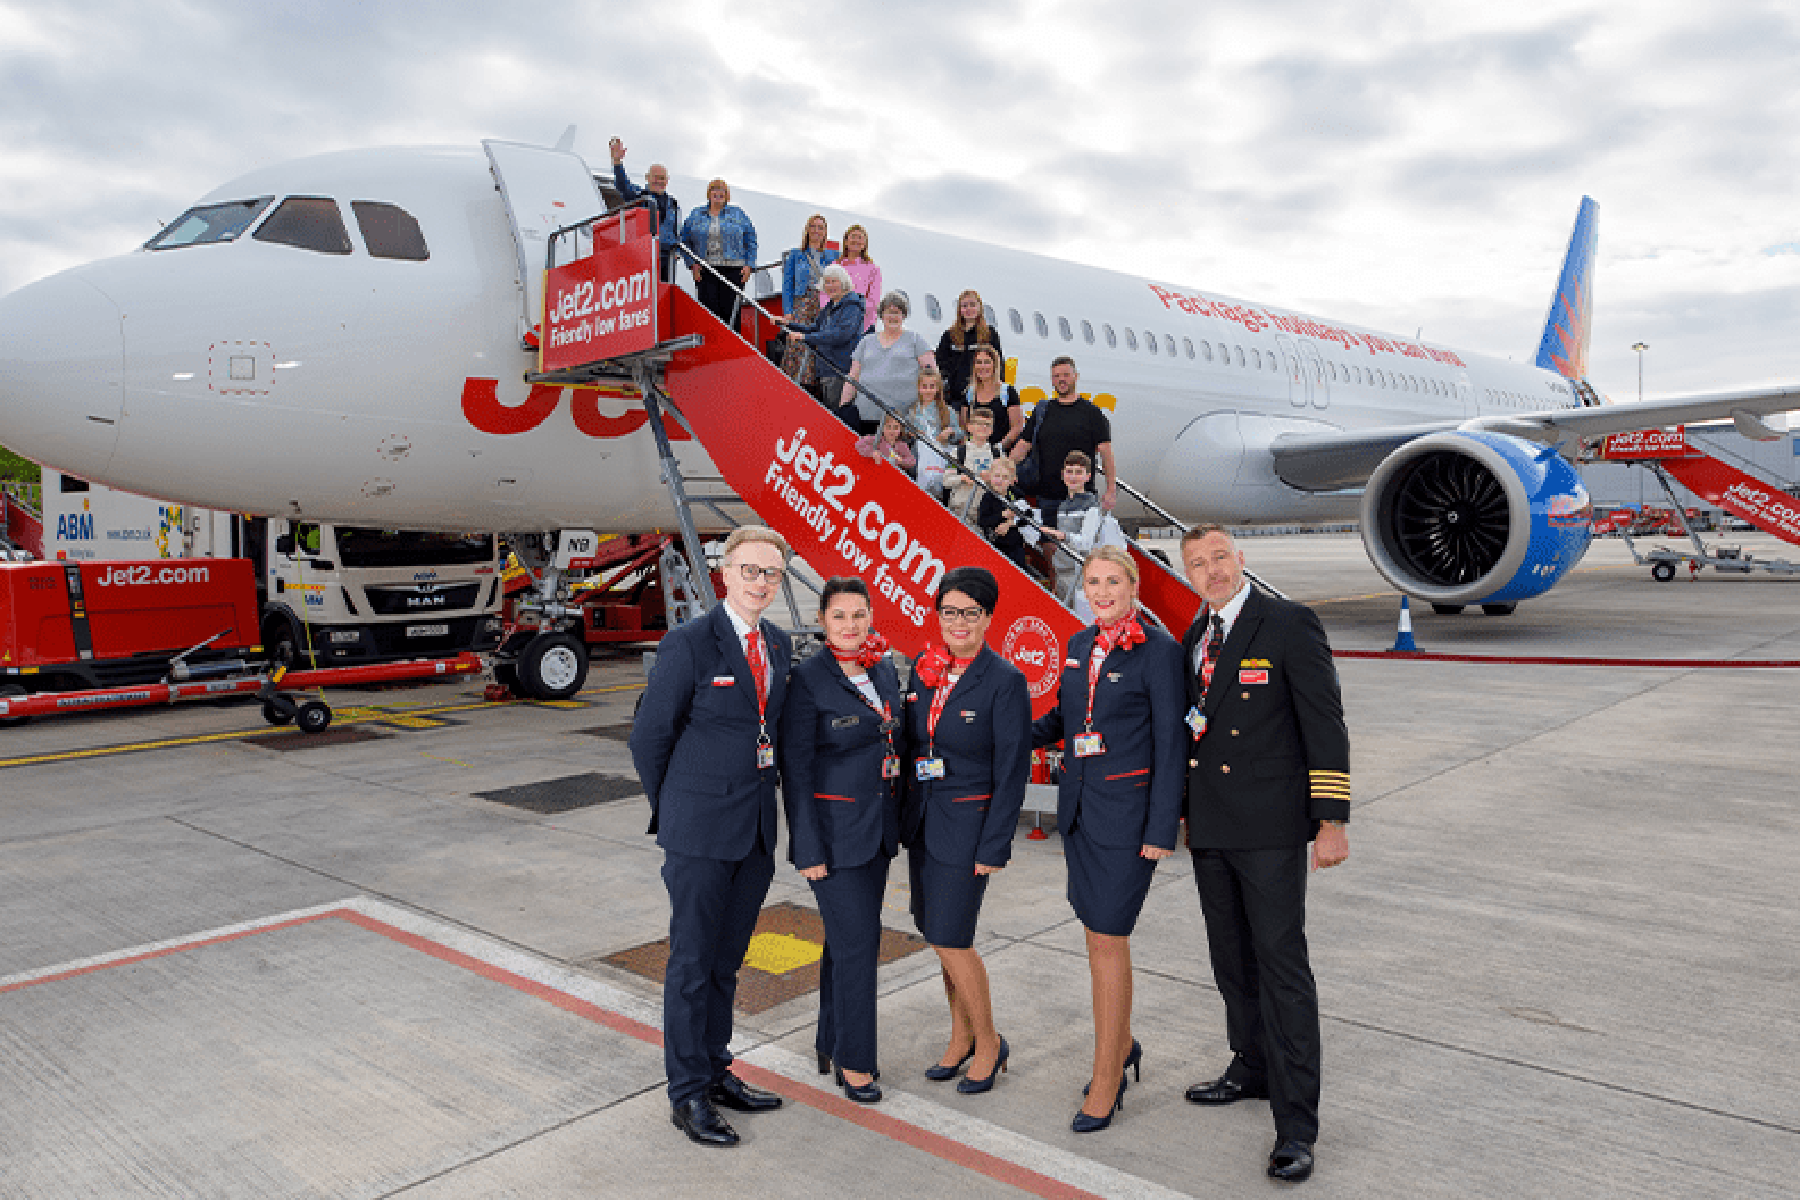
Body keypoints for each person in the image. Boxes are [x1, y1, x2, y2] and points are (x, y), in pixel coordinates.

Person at [1178, 524, 1350, 1184]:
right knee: (1231, 960)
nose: (1212, 571)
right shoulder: (1194, 638)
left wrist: (1330, 820)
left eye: (1220, 557)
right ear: (1190, 573)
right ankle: (1249, 1066)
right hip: (1214, 831)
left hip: (1273, 831)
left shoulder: (1287, 623)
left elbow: (1324, 722)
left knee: (1282, 968)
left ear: (1239, 558)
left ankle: (1296, 1124)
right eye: (1198, 563)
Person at [628, 526, 795, 1148]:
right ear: (726, 572)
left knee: (727, 962)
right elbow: (649, 738)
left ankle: (716, 1069)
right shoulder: (690, 643)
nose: (761, 583)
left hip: (752, 832)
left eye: (771, 574)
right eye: (750, 570)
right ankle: (687, 1094)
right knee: (692, 965)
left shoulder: (777, 644)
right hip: (699, 832)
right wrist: (675, 811)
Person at [1030, 547, 1186, 1132]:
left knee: (1108, 939)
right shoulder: (1078, 646)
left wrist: (1160, 828)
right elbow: (1067, 722)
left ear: (1133, 586)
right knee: (1096, 935)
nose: (1100, 591)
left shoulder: (1159, 652)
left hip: (1128, 820)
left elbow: (1172, 746)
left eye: (1112, 581)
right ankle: (1119, 1047)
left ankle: (1106, 1077)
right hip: (1081, 816)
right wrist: (1004, 728)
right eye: (1092, 581)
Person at [902, 566, 1030, 1094]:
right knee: (937, 937)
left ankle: (990, 1042)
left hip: (968, 827)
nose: (958, 622)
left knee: (953, 938)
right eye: (949, 612)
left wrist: (995, 842)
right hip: (924, 823)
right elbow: (912, 747)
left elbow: (1012, 768)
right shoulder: (923, 668)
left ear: (987, 618)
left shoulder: (1003, 679)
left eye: (969, 613)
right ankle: (960, 1038)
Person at [780, 577, 906, 1105]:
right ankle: (857, 1063)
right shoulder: (808, 679)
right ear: (822, 618)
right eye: (839, 617)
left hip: (874, 834)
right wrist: (806, 849)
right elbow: (797, 769)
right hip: (832, 840)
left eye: (859, 615)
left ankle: (831, 1040)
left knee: (845, 943)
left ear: (871, 616)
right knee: (859, 948)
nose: (851, 626)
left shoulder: (881, 667)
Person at [1010, 357, 1116, 521]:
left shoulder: (1092, 413)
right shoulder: (1042, 412)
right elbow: (1023, 445)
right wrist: (1005, 467)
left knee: (1080, 545)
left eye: (1066, 375)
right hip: (1047, 496)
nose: (1061, 379)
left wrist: (1111, 490)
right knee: (1048, 545)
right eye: (1056, 376)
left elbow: (1106, 453)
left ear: (1075, 376)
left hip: (1081, 497)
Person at [1042, 452, 1122, 619]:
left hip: (1080, 576)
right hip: (1063, 573)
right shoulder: (1063, 505)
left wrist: (1063, 536)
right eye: (1069, 471)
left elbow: (1086, 543)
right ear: (1063, 474)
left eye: (1079, 472)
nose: (1073, 476)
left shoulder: (1091, 506)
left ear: (1088, 477)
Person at [778, 265, 865, 416]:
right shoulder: (830, 307)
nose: (830, 286)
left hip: (840, 370)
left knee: (837, 416)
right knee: (830, 413)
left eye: (834, 281)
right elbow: (814, 328)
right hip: (827, 370)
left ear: (843, 282)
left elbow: (840, 335)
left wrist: (805, 337)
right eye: (827, 282)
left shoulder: (852, 307)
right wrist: (788, 324)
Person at [846, 293, 935, 435]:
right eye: (888, 312)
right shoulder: (866, 341)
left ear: (903, 316)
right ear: (881, 315)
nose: (892, 317)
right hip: (865, 414)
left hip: (899, 419)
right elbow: (852, 377)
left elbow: (932, 375)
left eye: (897, 313)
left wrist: (927, 408)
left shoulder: (915, 340)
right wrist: (843, 405)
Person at [679, 178, 758, 327]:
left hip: (734, 271)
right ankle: (711, 348)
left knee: (731, 314)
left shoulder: (738, 214)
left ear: (727, 195)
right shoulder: (696, 214)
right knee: (709, 314)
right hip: (706, 270)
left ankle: (732, 348)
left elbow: (751, 240)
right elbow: (684, 240)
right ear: (709, 193)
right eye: (714, 188)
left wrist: (749, 265)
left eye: (722, 190)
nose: (718, 192)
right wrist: (692, 264)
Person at [779, 215, 839, 396]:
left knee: (820, 342)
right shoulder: (796, 254)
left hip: (825, 303)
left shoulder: (833, 255)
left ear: (825, 232)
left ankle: (814, 385)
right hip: (803, 302)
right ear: (807, 229)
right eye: (813, 226)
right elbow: (787, 285)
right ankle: (794, 381)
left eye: (820, 227)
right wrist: (787, 311)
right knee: (798, 341)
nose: (816, 230)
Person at [607, 138, 680, 281]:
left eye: (662, 178)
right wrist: (617, 162)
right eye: (655, 177)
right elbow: (623, 185)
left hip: (667, 256)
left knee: (664, 294)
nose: (658, 181)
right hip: (643, 254)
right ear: (647, 177)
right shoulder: (639, 196)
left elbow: (676, 231)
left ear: (667, 180)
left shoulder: (674, 204)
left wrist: (677, 250)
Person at [934, 289, 1003, 404]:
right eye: (964, 306)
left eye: (972, 305)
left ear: (979, 308)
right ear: (959, 310)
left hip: (982, 396)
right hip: (955, 396)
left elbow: (998, 363)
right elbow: (939, 364)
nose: (968, 309)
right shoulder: (949, 336)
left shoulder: (989, 335)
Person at [974, 456, 1037, 573]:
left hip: (1016, 548)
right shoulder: (988, 497)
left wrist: (1010, 524)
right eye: (997, 476)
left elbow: (1029, 515)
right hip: (995, 546)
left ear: (1012, 480)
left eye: (1005, 477)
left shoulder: (1016, 494)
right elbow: (982, 521)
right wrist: (1002, 515)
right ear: (990, 476)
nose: (1000, 480)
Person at [907, 366, 962, 498]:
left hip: (940, 462)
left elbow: (961, 434)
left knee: (938, 495)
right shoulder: (913, 411)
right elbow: (906, 433)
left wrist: (950, 432)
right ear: (919, 388)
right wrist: (911, 434)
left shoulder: (948, 411)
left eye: (932, 386)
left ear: (938, 388)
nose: (928, 390)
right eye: (924, 386)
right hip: (919, 461)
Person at [959, 344, 1026, 452]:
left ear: (994, 365)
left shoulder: (1007, 392)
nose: (982, 366)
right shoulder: (969, 393)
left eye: (987, 362)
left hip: (1000, 456)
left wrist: (997, 448)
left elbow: (1017, 427)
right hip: (974, 453)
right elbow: (963, 425)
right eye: (979, 362)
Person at [945, 407, 999, 521]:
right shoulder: (958, 452)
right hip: (960, 508)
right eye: (979, 423)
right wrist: (963, 478)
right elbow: (946, 481)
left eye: (987, 424)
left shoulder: (997, 455)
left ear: (991, 430)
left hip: (985, 513)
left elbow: (1005, 484)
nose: (983, 427)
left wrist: (992, 479)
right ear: (969, 427)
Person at [837, 224, 881, 332]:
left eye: (860, 237)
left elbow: (873, 300)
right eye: (853, 236)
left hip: (862, 324)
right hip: (836, 323)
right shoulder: (835, 265)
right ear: (846, 241)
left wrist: (854, 312)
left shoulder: (873, 269)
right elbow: (825, 294)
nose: (856, 240)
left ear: (864, 244)